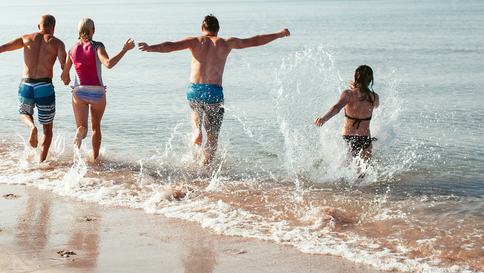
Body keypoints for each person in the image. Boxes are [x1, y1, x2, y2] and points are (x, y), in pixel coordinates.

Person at [138, 15, 290, 166]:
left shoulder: (195, 41)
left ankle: (197, 132)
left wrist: (151, 48)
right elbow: (255, 40)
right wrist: (279, 34)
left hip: (194, 90)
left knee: (195, 111)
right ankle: (205, 167)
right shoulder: (226, 43)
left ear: (202, 28)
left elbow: (170, 46)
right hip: (214, 92)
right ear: (218, 29)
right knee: (212, 138)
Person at [0, 15, 67, 163]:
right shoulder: (58, 43)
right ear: (53, 27)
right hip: (45, 85)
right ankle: (41, 162)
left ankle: (32, 126)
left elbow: (3, 48)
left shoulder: (26, 38)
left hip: (26, 85)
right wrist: (66, 77)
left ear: (39, 26)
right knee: (47, 129)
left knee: (24, 114)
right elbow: (64, 65)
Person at [59, 17, 134, 162]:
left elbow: (64, 76)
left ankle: (80, 133)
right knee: (96, 128)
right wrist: (124, 50)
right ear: (93, 31)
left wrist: (66, 79)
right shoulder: (98, 46)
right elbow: (109, 64)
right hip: (97, 93)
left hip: (79, 92)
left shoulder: (72, 49)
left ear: (79, 31)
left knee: (83, 127)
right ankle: (95, 159)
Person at [314, 64, 380, 159]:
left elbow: (336, 108)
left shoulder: (349, 94)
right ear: (370, 80)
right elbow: (376, 106)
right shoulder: (374, 97)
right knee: (363, 172)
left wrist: (323, 119)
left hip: (347, 138)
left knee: (345, 171)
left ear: (355, 78)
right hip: (365, 138)